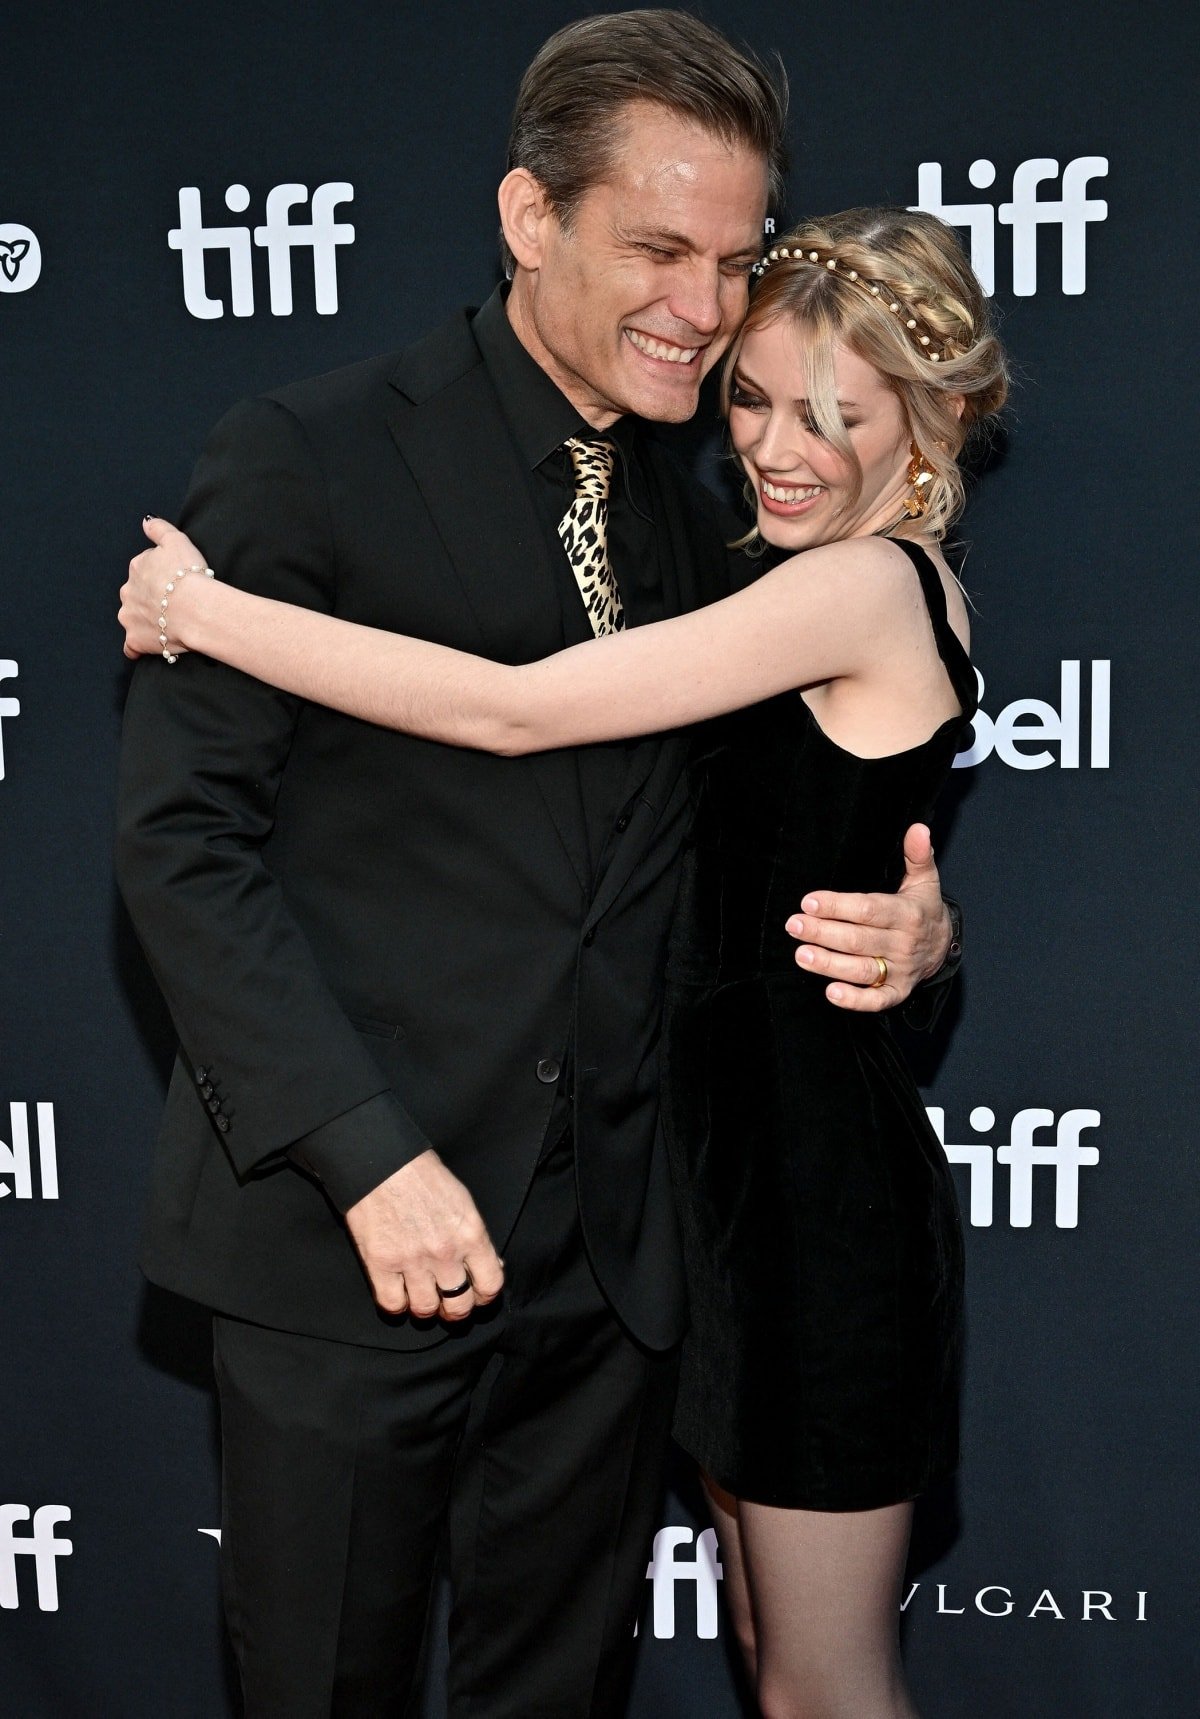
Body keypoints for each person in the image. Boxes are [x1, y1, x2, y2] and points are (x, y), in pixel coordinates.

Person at [116, 14, 960, 1717]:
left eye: (734, 260)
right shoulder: (313, 449)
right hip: (350, 1245)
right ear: (529, 219)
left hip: (618, 1277)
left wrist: (920, 932)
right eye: (658, 248)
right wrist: (364, 1159)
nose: (706, 306)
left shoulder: (726, 515)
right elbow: (182, 848)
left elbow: (776, 819)